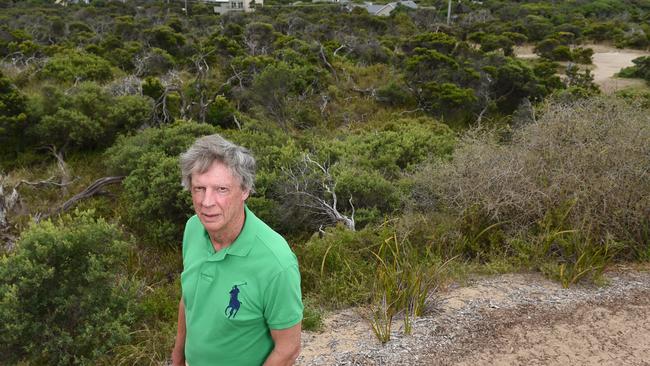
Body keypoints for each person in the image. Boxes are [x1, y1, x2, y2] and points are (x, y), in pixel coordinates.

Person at [171, 134, 303, 366]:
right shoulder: (193, 228)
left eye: (221, 189)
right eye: (199, 188)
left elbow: (288, 349)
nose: (206, 202)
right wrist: (178, 356)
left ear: (245, 190)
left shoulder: (276, 263)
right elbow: (190, 299)